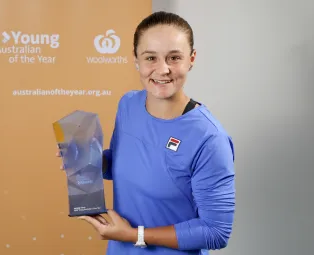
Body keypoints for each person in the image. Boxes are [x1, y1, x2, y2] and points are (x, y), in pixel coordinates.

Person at [56, 11, 235, 255]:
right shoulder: (128, 105)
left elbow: (216, 232)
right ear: (136, 60)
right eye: (151, 57)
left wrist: (133, 235)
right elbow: (124, 165)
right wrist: (90, 161)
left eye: (174, 57)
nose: (163, 70)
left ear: (191, 59)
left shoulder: (209, 139)